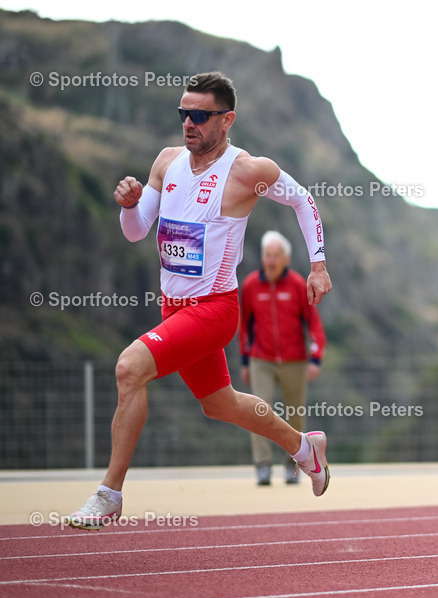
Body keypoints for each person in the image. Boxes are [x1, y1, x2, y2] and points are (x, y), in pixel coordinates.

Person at [66, 71, 333, 530]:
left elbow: (303, 200)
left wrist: (318, 265)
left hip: (214, 310)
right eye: (183, 114)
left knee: (130, 367)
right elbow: (136, 232)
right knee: (219, 404)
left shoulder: (247, 171)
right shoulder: (166, 162)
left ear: (227, 120)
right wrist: (129, 206)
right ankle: (305, 447)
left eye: (200, 116)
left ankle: (109, 493)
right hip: (173, 308)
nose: (189, 123)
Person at [240, 230, 327, 486]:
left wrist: (316, 358)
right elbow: (244, 326)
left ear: (286, 259)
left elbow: (314, 324)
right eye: (268, 255)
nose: (271, 260)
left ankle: (293, 464)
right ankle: (262, 466)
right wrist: (245, 361)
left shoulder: (298, 284)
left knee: (295, 413)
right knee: (258, 410)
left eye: (277, 255)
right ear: (262, 257)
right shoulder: (251, 285)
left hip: (294, 360)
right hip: (261, 359)